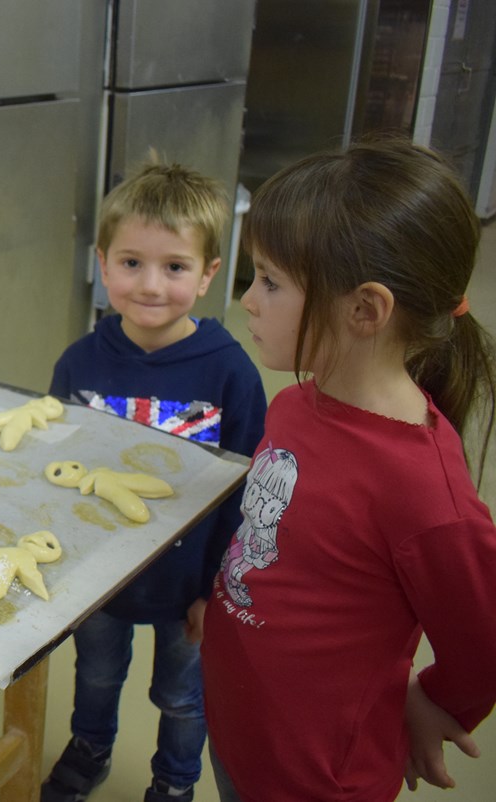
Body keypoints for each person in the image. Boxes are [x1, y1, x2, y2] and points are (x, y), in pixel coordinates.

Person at [202, 138, 496, 802]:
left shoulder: (424, 492)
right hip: (243, 730)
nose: (248, 300)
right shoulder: (295, 404)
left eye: (270, 282)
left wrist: (438, 700)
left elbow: (484, 637)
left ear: (365, 310)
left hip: (314, 778)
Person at [42, 160, 267, 802]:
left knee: (182, 695)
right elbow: (52, 470)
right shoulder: (78, 363)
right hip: (97, 577)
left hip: (189, 584)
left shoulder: (231, 375)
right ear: (102, 262)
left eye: (174, 267)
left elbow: (250, 498)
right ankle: (89, 748)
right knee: (96, 675)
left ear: (208, 274)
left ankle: (174, 780)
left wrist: (218, 590)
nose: (149, 285)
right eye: (131, 262)